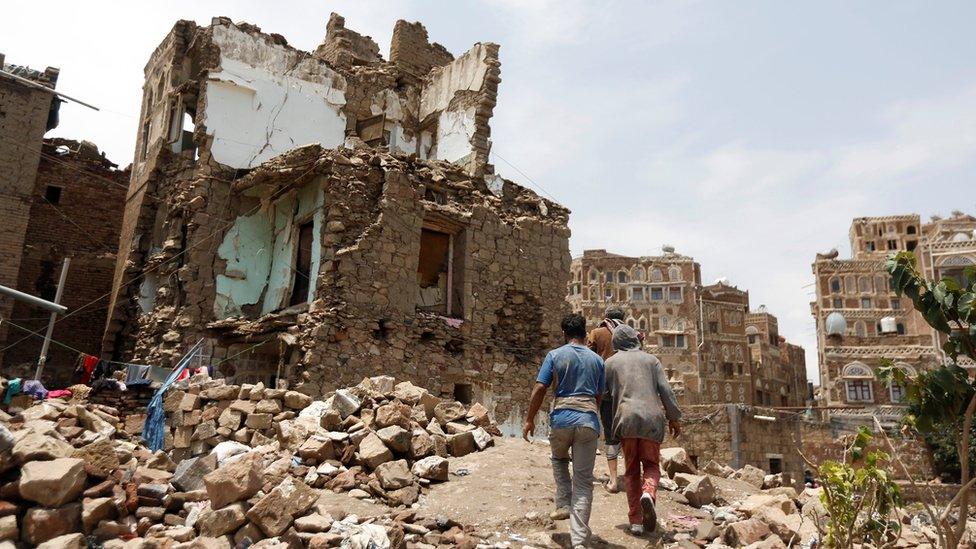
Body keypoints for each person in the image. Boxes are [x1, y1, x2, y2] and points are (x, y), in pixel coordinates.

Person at [523, 313, 606, 549]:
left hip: (560, 419)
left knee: (559, 459)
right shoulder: (598, 361)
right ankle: (579, 542)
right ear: (585, 333)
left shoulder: (555, 355)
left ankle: (563, 504)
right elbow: (599, 395)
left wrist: (530, 419)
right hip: (588, 420)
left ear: (564, 334)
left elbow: (540, 388)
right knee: (583, 482)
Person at [604, 324, 682, 537]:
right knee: (651, 466)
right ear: (636, 340)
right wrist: (674, 418)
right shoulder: (652, 360)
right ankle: (648, 493)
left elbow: (603, 394)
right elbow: (666, 391)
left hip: (626, 420)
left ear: (616, 343)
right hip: (651, 420)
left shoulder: (610, 363)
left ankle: (636, 521)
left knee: (630, 471)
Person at [587, 307, 625, 493]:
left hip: (606, 389)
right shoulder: (630, 334)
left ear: (606, 318)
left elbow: (589, 358)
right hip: (627, 390)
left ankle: (613, 480)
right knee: (628, 433)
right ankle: (634, 477)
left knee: (610, 432)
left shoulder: (597, 333)